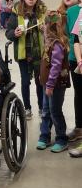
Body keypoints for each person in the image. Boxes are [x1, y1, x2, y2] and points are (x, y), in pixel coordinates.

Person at [6, 0, 47, 120]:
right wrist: (15, 33)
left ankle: (42, 107)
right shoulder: (16, 11)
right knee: (25, 82)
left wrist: (45, 29)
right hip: (23, 54)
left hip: (40, 53)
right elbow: (8, 32)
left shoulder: (42, 11)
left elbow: (52, 30)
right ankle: (27, 108)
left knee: (40, 81)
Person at [37, 11, 70, 152]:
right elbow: (46, 63)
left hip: (55, 86)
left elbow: (56, 67)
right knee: (45, 111)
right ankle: (44, 136)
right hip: (48, 84)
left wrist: (49, 84)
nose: (43, 29)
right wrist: (42, 77)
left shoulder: (57, 45)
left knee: (54, 111)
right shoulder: (48, 41)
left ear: (50, 28)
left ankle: (62, 138)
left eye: (45, 26)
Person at [66, 0, 82, 143]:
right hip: (75, 59)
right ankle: (79, 128)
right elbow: (72, 37)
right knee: (79, 94)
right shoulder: (71, 12)